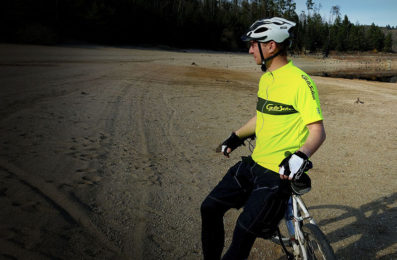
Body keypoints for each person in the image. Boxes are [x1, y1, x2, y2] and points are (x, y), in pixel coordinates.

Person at [200, 17, 326, 260]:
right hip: (254, 163)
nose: (249, 50)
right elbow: (261, 117)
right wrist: (235, 137)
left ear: (271, 45)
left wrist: (301, 155)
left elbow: (318, 131)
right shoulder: (266, 77)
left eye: (253, 44)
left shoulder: (301, 82)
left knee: (243, 232)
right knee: (209, 207)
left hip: (277, 172)